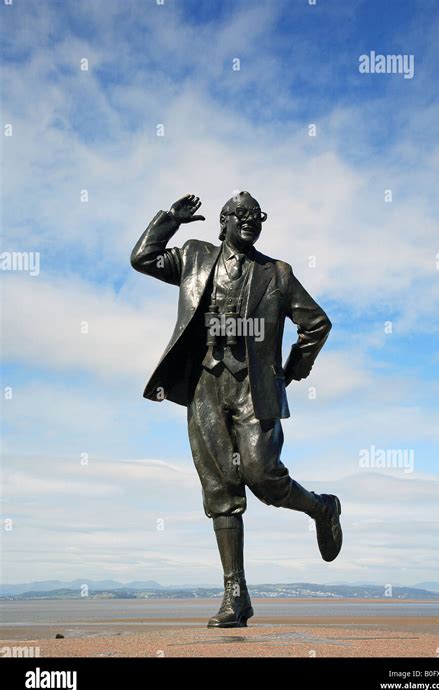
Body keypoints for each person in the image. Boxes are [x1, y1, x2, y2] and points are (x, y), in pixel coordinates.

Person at [131, 191, 342, 627]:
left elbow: (317, 323)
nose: (250, 221)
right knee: (220, 490)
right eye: (240, 215)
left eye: (257, 216)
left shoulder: (277, 274)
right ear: (223, 222)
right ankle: (236, 596)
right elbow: (142, 259)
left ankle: (322, 509)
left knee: (262, 473)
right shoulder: (193, 256)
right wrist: (169, 220)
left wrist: (291, 371)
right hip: (206, 383)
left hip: (254, 387)